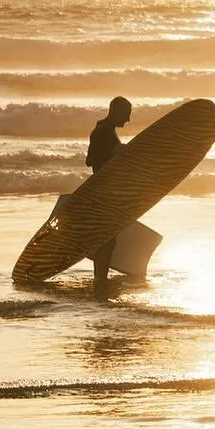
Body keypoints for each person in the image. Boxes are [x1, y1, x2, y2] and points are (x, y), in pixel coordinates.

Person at [86, 97, 132, 294]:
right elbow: (90, 161)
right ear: (116, 111)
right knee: (107, 238)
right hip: (103, 191)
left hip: (106, 190)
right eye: (127, 114)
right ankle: (100, 280)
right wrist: (115, 152)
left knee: (108, 237)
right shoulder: (103, 132)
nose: (129, 119)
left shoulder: (105, 130)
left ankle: (100, 278)